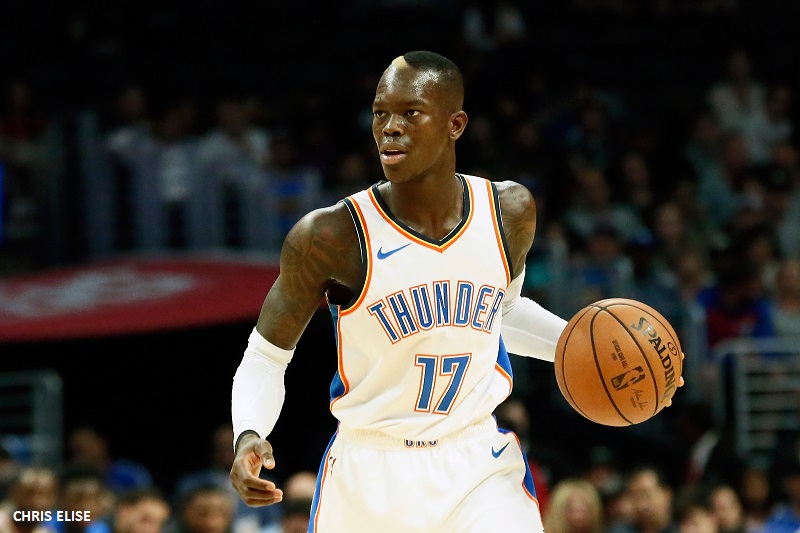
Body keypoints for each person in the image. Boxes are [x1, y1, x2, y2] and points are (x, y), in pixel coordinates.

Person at [228, 50, 572, 532]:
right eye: (380, 114)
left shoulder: (508, 211)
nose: (390, 128)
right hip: (369, 472)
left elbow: (502, 313)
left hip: (476, 462)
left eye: (411, 113)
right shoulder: (331, 236)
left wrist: (583, 345)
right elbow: (266, 357)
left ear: (455, 124)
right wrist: (248, 433)